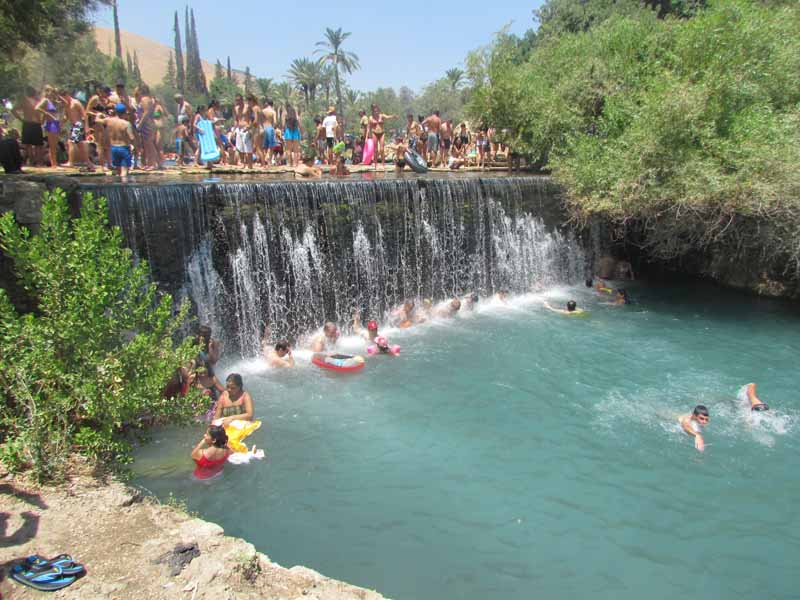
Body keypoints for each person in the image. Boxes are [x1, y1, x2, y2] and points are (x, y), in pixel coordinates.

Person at [60, 89, 94, 170]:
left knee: (70, 142)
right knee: (80, 146)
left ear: (67, 95)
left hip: (78, 125)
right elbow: (66, 116)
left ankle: (70, 162)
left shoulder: (75, 103)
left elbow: (84, 115)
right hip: (73, 125)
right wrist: (61, 123)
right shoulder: (66, 105)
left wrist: (86, 127)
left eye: (63, 98)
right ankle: (89, 163)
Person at [12, 87, 44, 165]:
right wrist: (21, 119)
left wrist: (21, 119)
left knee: (34, 144)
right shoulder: (28, 101)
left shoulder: (36, 100)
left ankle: (36, 161)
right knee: (33, 144)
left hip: (32, 123)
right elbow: (13, 110)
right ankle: (35, 161)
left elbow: (13, 110)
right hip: (31, 123)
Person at [107, 103, 136, 177]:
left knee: (118, 172)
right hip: (124, 148)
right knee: (124, 172)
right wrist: (135, 146)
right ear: (125, 113)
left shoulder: (109, 121)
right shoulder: (126, 124)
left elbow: (98, 120)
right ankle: (124, 187)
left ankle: (117, 188)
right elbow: (131, 137)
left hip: (113, 148)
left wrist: (98, 115)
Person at [35, 85, 62, 168]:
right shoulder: (45, 100)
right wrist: (46, 113)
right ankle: (54, 164)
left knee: (55, 145)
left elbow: (65, 103)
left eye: (54, 92)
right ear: (47, 92)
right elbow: (37, 108)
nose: (53, 93)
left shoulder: (54, 101)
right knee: (52, 145)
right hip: (50, 123)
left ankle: (55, 163)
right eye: (52, 91)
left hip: (56, 123)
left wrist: (57, 96)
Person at [367, 103, 396, 169]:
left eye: (377, 110)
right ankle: (375, 164)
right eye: (374, 110)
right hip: (374, 133)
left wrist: (393, 116)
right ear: (372, 110)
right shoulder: (370, 117)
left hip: (381, 133)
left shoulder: (381, 116)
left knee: (382, 149)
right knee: (375, 149)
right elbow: (369, 127)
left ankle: (383, 163)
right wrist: (367, 137)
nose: (376, 111)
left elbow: (388, 117)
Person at [262, 98, 277, 166]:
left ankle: (265, 159)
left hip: (263, 128)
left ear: (267, 103)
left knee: (265, 146)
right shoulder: (273, 112)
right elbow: (275, 121)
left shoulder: (263, 111)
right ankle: (269, 161)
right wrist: (274, 127)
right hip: (270, 128)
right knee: (271, 146)